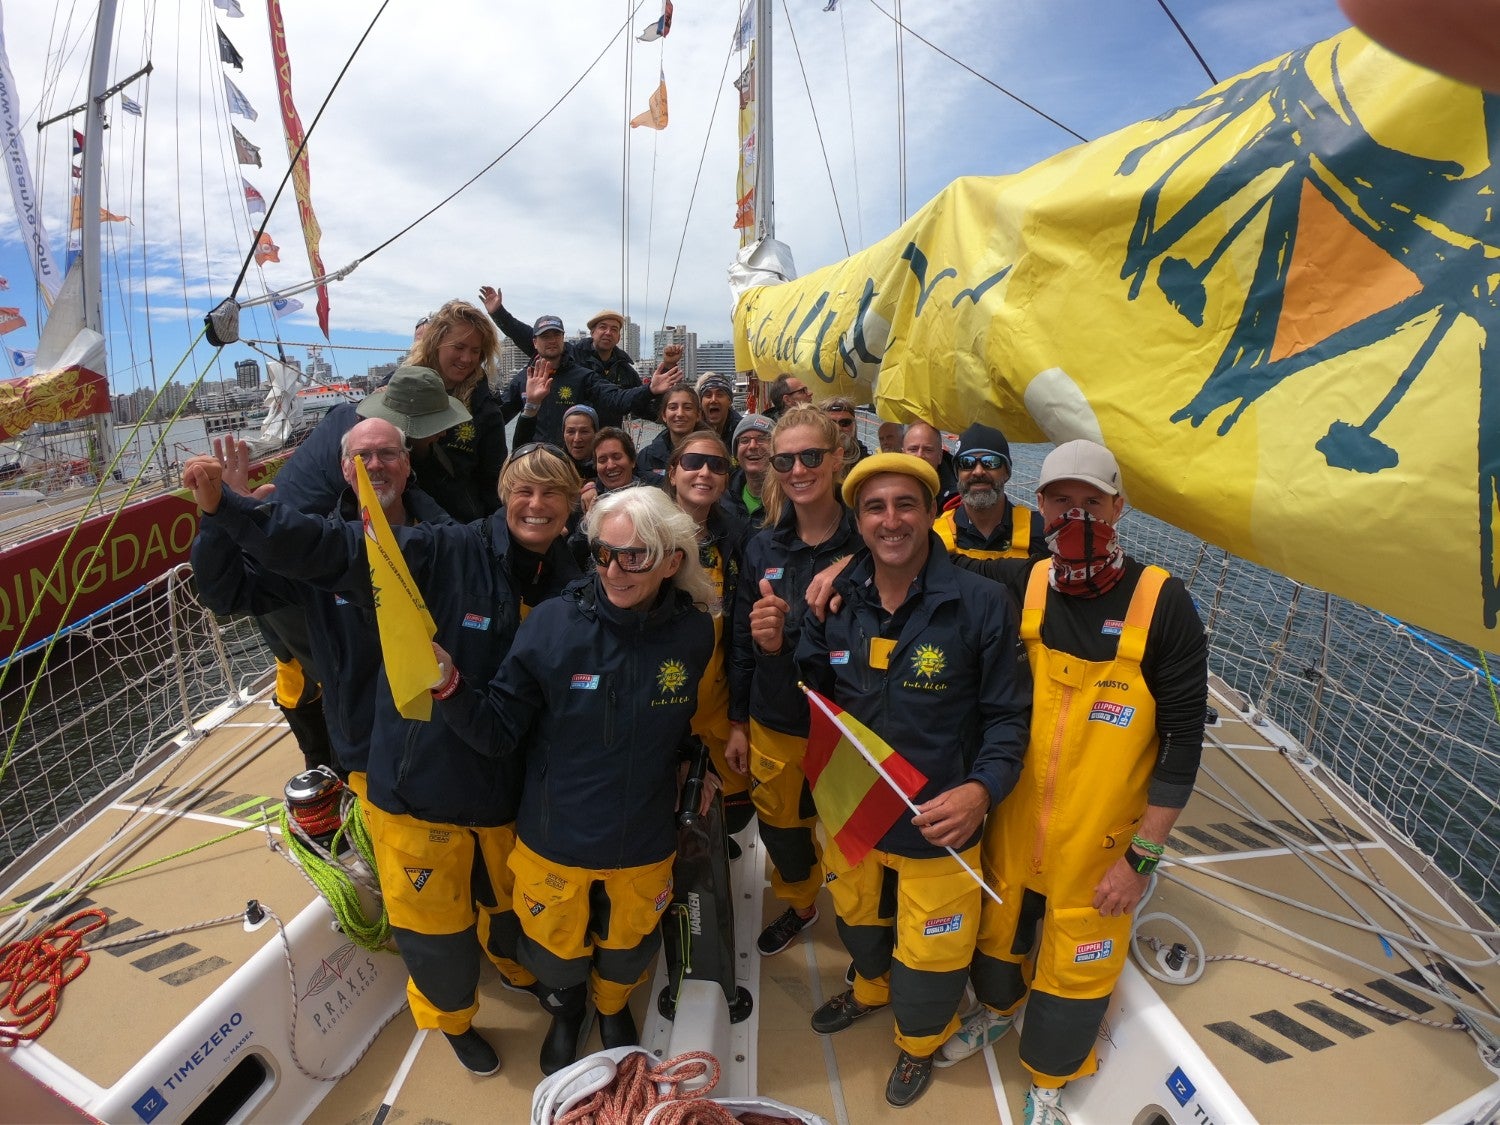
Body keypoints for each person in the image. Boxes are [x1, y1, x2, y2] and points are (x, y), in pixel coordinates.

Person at [192, 443, 587, 1078]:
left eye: (552, 494)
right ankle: (452, 1017)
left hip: (505, 784)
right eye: (523, 490)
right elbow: (333, 548)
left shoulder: (572, 582)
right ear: (503, 497)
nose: (535, 505)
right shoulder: (444, 550)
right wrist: (228, 510)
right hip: (419, 782)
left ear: (572, 508)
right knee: (434, 933)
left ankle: (517, 971)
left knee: (507, 903)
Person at [937, 439, 1208, 1125]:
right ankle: (996, 1013)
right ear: (1042, 504)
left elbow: (1183, 742)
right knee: (999, 939)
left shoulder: (1164, 604)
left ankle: (1051, 1079)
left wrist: (1141, 858)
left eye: (1091, 500)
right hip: (1014, 822)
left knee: (1075, 973)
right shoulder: (1025, 583)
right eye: (1061, 499)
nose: (1074, 513)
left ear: (1118, 506)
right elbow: (931, 572)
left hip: (1099, 845)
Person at [431, 487, 717, 1074]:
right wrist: (449, 687)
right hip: (557, 833)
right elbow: (501, 729)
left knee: (630, 942)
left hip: (643, 834)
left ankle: (612, 1006)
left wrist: (694, 760)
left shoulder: (694, 633)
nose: (613, 570)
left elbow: (676, 719)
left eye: (633, 556)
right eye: (601, 553)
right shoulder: (556, 625)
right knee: (555, 953)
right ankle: (566, 1012)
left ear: (671, 561)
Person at [791, 452, 1031, 1108]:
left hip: (941, 820)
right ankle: (869, 988)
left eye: (905, 504)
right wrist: (773, 640)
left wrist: (981, 791)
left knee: (931, 961)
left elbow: (1010, 718)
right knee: (859, 920)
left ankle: (920, 1040)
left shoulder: (982, 604)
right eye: (874, 507)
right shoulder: (837, 599)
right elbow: (812, 690)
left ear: (933, 511)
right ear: (858, 520)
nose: (890, 519)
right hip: (854, 806)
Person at [188, 423, 454, 800]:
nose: (374, 465)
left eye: (388, 454)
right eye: (361, 457)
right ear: (346, 470)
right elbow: (226, 595)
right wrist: (220, 523)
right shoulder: (312, 557)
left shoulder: (451, 540)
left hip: (445, 738)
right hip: (365, 746)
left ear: (407, 463)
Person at [726, 404, 862, 957]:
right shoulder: (762, 546)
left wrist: (851, 566)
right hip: (777, 715)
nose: (799, 470)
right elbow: (740, 639)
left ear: (838, 458)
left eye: (811, 456)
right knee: (783, 831)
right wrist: (737, 720)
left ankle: (862, 931)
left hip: (849, 719)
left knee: (853, 836)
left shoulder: (872, 541)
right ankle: (803, 905)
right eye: (786, 460)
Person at [664, 432, 756, 847]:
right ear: (672, 472)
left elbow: (741, 641)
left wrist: (739, 719)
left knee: (731, 814)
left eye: (717, 465)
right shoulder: (644, 532)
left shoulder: (739, 541)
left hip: (716, 707)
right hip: (659, 709)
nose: (705, 472)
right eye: (693, 462)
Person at [404, 300, 512, 522]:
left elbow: (494, 482)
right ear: (436, 342)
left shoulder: (484, 409)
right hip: (403, 518)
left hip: (460, 525)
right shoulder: (400, 389)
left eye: (475, 351)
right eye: (459, 347)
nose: (467, 359)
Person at [502, 315, 679, 447]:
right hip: (535, 460)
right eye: (545, 336)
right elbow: (498, 417)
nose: (552, 341)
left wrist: (650, 389)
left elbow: (617, 398)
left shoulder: (583, 376)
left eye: (556, 335)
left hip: (577, 458)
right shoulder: (523, 378)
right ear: (534, 342)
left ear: (563, 339)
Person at [481, 289, 644, 424]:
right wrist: (498, 313)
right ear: (592, 332)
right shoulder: (571, 355)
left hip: (602, 446)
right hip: (566, 441)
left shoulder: (625, 371)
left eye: (614, 329)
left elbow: (641, 403)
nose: (608, 332)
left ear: (619, 337)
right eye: (603, 327)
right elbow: (521, 332)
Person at [935, 422, 1044, 560]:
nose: (978, 471)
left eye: (991, 462)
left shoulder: (1041, 532)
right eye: (966, 463)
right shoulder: (934, 538)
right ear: (957, 473)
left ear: (1007, 472)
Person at [636, 385, 705, 479]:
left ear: (698, 415)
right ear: (664, 415)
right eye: (673, 407)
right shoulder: (646, 457)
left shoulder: (712, 453)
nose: (680, 414)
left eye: (687, 408)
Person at [581, 426, 649, 513]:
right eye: (602, 460)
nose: (610, 466)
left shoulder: (652, 499)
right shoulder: (585, 503)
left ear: (632, 461)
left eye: (617, 457)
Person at [722, 414, 773, 524]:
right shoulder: (723, 496)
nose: (752, 446)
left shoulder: (790, 498)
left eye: (762, 439)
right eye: (744, 440)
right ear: (736, 453)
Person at [901, 421, 959, 508]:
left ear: (940, 456)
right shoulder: (887, 490)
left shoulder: (960, 497)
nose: (920, 455)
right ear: (902, 454)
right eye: (913, 449)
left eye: (928, 450)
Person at [696, 372, 743, 449]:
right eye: (708, 395)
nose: (713, 400)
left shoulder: (741, 431)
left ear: (730, 401)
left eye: (720, 395)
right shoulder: (692, 428)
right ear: (701, 402)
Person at [822, 397, 870, 466]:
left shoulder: (866, 463)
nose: (838, 428)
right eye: (831, 423)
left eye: (845, 422)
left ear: (854, 426)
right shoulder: (812, 460)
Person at [558, 404, 599, 483]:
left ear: (596, 433)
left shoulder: (606, 464)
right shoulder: (555, 466)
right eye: (571, 432)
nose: (577, 439)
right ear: (563, 435)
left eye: (584, 432)